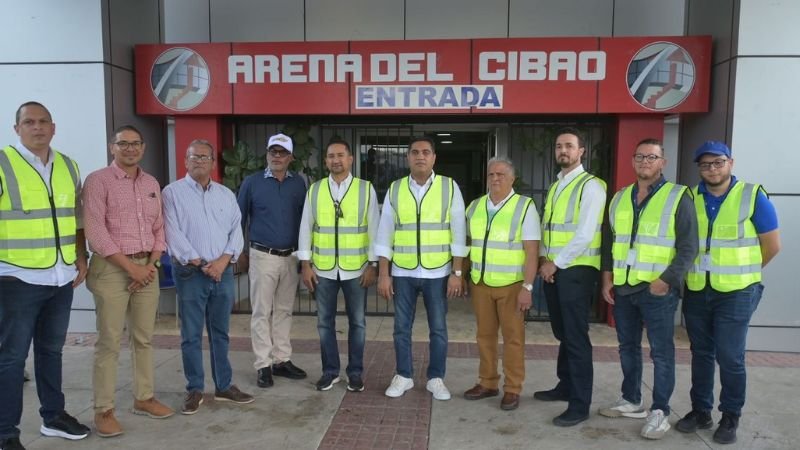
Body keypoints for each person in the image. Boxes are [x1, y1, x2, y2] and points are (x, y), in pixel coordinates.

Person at [675, 141, 780, 445]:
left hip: (736, 292)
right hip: (698, 288)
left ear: (730, 163)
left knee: (730, 356)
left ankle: (730, 416)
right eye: (705, 164)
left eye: (718, 163)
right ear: (699, 168)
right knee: (701, 353)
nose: (712, 169)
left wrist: (745, 275)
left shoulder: (752, 196)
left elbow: (772, 245)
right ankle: (701, 411)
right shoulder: (690, 197)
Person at [0, 101, 91, 450]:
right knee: (11, 357)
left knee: (52, 351)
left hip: (60, 276)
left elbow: (76, 217)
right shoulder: (4, 163)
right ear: (17, 128)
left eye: (43, 122)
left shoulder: (68, 165)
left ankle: (53, 416)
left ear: (53, 127)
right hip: (16, 278)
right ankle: (6, 432)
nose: (37, 127)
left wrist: (80, 255)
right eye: (29, 122)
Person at [599, 138, 698, 440]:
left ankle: (660, 411)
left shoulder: (678, 196)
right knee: (627, 347)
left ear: (662, 163)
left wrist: (666, 280)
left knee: (661, 352)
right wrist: (607, 278)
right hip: (624, 287)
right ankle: (631, 400)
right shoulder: (619, 198)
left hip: (658, 290)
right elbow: (609, 242)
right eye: (640, 156)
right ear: (633, 161)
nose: (645, 162)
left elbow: (689, 247)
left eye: (652, 157)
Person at [83, 125, 175, 438]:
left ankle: (144, 397)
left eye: (135, 143)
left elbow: (159, 229)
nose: (130, 148)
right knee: (109, 341)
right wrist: (130, 269)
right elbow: (95, 231)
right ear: (113, 147)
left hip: (147, 267)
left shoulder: (151, 183)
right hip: (111, 269)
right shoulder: (98, 181)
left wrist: (150, 266)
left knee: (144, 338)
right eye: (123, 143)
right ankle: (104, 410)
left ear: (143, 148)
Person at [162, 139, 254, 415]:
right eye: (194, 156)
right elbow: (172, 232)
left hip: (222, 273)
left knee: (220, 333)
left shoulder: (226, 195)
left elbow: (236, 230)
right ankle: (195, 388)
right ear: (185, 161)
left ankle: (224, 385)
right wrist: (202, 263)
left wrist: (223, 261)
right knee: (191, 334)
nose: (199, 161)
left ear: (213, 163)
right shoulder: (172, 193)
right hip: (191, 273)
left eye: (204, 157)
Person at [375, 136, 467, 401]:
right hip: (403, 271)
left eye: (426, 152)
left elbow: (458, 232)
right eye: (415, 152)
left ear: (434, 157)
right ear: (408, 158)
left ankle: (435, 378)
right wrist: (384, 273)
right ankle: (404, 375)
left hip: (437, 272)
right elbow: (385, 233)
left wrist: (457, 273)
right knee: (401, 328)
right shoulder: (395, 189)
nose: (420, 156)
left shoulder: (449, 187)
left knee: (438, 329)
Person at [535, 128, 607, 426]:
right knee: (563, 332)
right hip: (555, 268)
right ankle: (565, 386)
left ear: (581, 151)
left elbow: (585, 233)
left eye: (569, 146)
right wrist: (544, 259)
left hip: (577, 269)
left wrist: (555, 264)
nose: (563, 150)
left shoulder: (591, 186)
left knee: (576, 337)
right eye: (558, 146)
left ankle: (580, 404)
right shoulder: (557, 186)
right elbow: (548, 228)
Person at [298, 139, 379, 392]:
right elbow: (305, 227)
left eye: (341, 155)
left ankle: (355, 373)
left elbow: (374, 229)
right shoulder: (315, 190)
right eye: (331, 156)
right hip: (323, 269)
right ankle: (330, 371)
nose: (336, 160)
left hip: (357, 268)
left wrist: (373, 264)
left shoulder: (365, 189)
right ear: (325, 161)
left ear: (351, 159)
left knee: (358, 323)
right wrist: (305, 264)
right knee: (324, 323)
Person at [462, 157, 540, 411]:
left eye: (501, 174)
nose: (495, 179)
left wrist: (528, 287)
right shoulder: (474, 206)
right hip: (481, 283)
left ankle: (513, 388)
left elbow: (532, 251)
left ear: (512, 179)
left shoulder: (525, 207)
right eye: (491, 174)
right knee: (484, 337)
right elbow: (467, 244)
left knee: (513, 338)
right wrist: (461, 274)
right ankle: (488, 382)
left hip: (512, 285)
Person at [237, 133, 307, 388]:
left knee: (284, 310)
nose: (277, 156)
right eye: (273, 151)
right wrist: (239, 252)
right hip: (262, 255)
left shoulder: (299, 183)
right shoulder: (252, 182)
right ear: (267, 154)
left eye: (282, 152)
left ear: (291, 157)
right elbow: (239, 219)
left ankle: (281, 359)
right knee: (261, 312)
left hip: (290, 257)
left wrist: (305, 256)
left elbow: (305, 220)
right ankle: (263, 364)